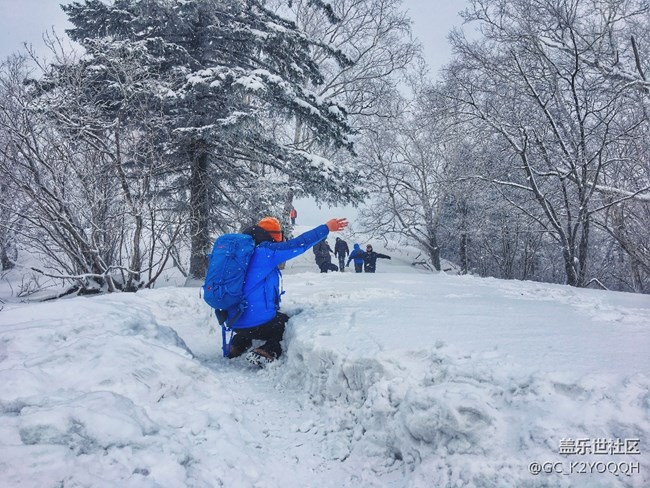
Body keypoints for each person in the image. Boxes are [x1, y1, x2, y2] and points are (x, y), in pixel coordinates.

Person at [227, 216, 348, 364]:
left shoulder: (242, 254)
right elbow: (298, 244)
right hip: (255, 321)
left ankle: (237, 345)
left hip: (234, 319)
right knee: (283, 324)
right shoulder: (266, 251)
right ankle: (267, 351)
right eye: (279, 234)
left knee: (257, 321)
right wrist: (326, 228)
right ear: (274, 235)